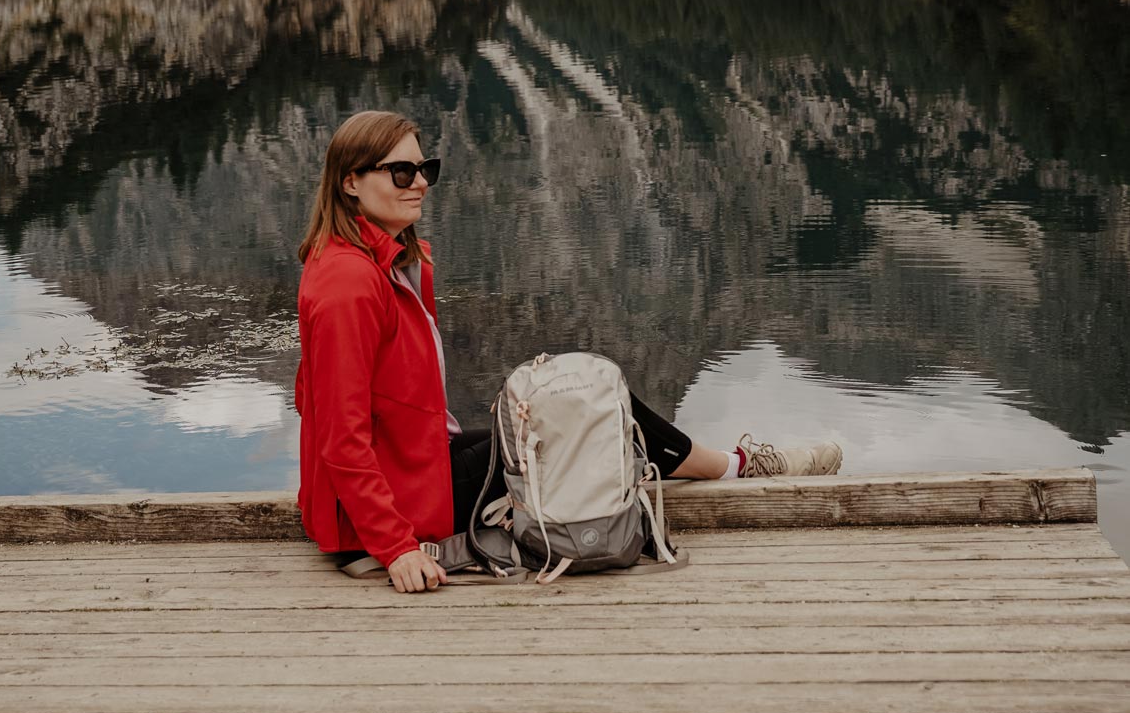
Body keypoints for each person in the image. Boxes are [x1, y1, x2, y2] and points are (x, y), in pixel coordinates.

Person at [295, 108, 841, 594]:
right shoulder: (349, 285)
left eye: (425, 170)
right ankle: (737, 466)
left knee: (583, 411)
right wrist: (396, 548)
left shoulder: (388, 262)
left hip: (423, 459)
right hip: (397, 505)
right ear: (350, 182)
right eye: (402, 172)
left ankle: (732, 464)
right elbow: (342, 438)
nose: (419, 184)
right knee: (590, 418)